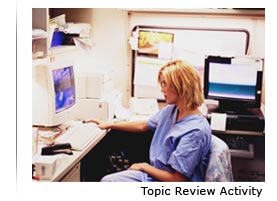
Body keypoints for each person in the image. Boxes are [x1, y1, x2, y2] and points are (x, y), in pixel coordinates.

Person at [87, 60, 212, 182]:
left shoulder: (195, 131)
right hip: (156, 174)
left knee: (108, 183)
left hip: (167, 182)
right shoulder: (172, 110)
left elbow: (177, 179)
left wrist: (144, 167)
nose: (162, 90)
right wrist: (109, 125)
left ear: (181, 86)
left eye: (165, 84)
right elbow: (143, 125)